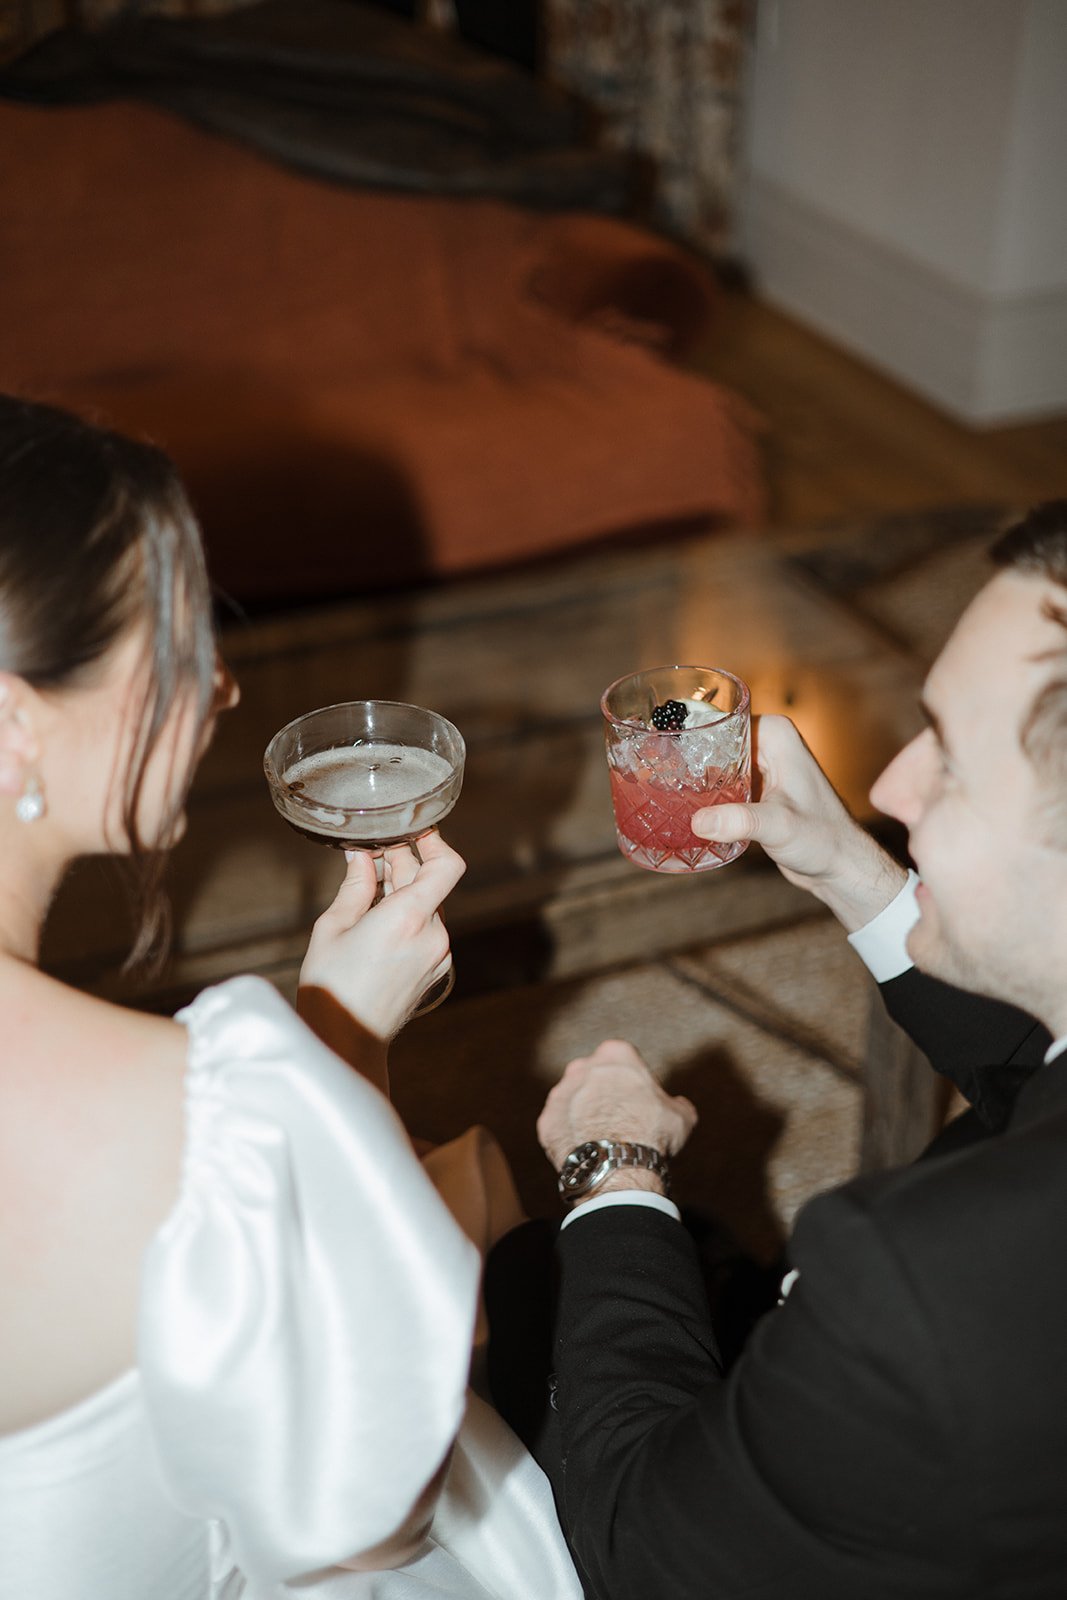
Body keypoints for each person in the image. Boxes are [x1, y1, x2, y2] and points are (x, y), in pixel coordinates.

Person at [0, 395, 581, 1600]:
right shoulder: (186, 1110)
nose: (218, 687)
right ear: (15, 716)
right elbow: (368, 1512)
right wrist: (337, 1050)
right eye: (173, 640)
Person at [535, 501, 1067, 1599]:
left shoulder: (920, 1278)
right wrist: (851, 872)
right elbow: (1038, 1078)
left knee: (516, 1277)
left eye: (952, 763)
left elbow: (635, 1547)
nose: (888, 788)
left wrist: (612, 1169)